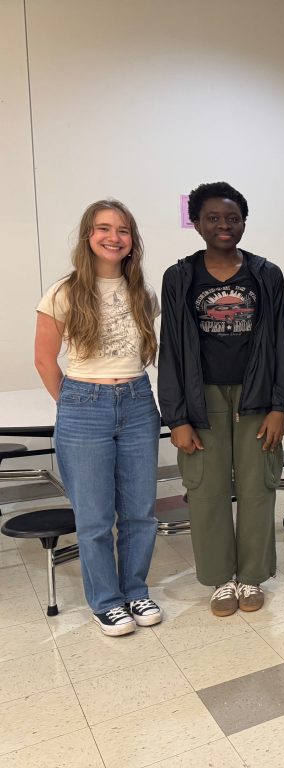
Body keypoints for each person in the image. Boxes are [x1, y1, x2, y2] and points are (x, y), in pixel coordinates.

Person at [158, 181, 284, 617]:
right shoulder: (179, 277)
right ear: (196, 223)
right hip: (202, 402)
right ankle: (219, 579)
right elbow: (171, 350)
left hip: (255, 399)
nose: (223, 225)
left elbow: (281, 345)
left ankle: (251, 576)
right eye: (213, 218)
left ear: (244, 223)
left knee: (257, 489)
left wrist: (279, 406)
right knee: (207, 491)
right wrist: (176, 417)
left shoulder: (266, 275)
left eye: (232, 218)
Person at [34, 199, 162, 636]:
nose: (113, 237)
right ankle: (106, 602)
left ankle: (135, 590)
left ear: (132, 241)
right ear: (88, 236)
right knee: (93, 516)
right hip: (83, 404)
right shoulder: (63, 292)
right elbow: (44, 361)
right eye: (104, 228)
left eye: (122, 230)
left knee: (140, 511)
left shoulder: (143, 294)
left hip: (138, 403)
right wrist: (73, 404)